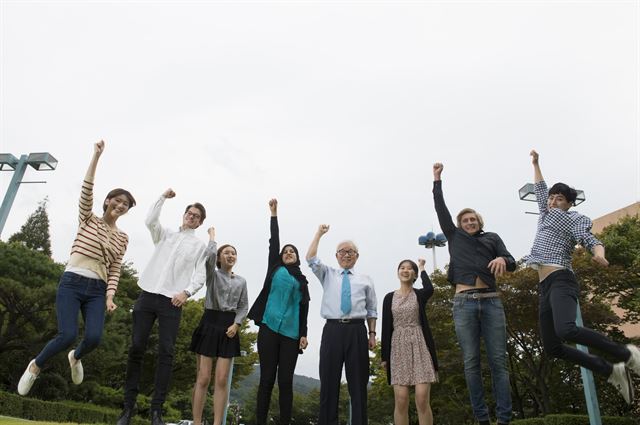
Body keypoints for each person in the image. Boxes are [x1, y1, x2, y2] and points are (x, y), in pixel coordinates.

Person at [18, 140, 135, 396]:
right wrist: (96, 156)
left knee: (93, 338)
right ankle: (35, 366)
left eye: (125, 204)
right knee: (67, 333)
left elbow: (115, 268)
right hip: (72, 282)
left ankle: (76, 358)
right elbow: (87, 189)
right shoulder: (88, 218)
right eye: (117, 200)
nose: (120, 205)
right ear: (107, 201)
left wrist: (110, 295)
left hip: (97, 289)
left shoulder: (123, 238)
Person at [527, 150, 640, 404]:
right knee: (552, 347)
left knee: (566, 329)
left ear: (568, 204)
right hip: (544, 287)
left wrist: (599, 254)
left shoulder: (572, 218)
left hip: (561, 279)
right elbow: (540, 188)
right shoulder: (544, 214)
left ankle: (627, 354)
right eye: (552, 198)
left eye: (560, 199)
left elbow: (590, 239)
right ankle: (610, 370)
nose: (553, 201)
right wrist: (536, 163)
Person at [432, 162, 515, 425]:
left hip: (491, 302)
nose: (469, 222)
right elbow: (440, 210)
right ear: (459, 225)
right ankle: (482, 419)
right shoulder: (454, 237)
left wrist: (503, 257)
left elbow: (512, 261)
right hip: (464, 303)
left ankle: (504, 419)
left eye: (473, 219)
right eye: (465, 220)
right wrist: (437, 180)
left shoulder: (492, 238)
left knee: (499, 363)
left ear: (479, 222)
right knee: (471, 362)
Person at [117, 189, 208, 425]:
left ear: (200, 222)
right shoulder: (165, 235)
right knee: (136, 346)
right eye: (189, 213)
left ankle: (156, 411)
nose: (191, 217)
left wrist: (187, 293)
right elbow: (150, 220)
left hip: (171, 300)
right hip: (147, 294)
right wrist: (162, 198)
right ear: (184, 215)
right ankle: (127, 409)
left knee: (166, 352)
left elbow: (201, 274)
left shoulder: (199, 246)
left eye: (196, 216)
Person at [305, 224, 377, 425]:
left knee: (358, 383)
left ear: (357, 256)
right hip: (333, 330)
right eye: (342, 252)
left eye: (350, 252)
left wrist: (372, 334)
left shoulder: (366, 280)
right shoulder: (328, 274)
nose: (346, 255)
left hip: (357, 331)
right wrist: (318, 234)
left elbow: (372, 310)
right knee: (329, 381)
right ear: (336, 256)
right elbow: (310, 258)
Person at [248, 199, 310, 425]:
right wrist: (274, 214)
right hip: (269, 328)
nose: (288, 252)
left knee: (285, 381)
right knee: (266, 379)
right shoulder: (275, 268)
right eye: (286, 251)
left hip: (291, 334)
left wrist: (304, 333)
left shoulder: (302, 281)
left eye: (292, 251)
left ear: (297, 257)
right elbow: (274, 242)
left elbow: (304, 309)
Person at [190, 231, 248, 425]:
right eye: (226, 253)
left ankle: (217, 423)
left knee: (222, 379)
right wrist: (213, 239)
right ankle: (196, 422)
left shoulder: (241, 281)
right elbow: (208, 258)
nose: (230, 255)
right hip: (210, 322)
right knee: (204, 377)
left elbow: (243, 306)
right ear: (219, 258)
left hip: (229, 326)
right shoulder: (212, 275)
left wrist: (237, 324)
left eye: (233, 253)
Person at [381, 258, 438, 425]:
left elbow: (430, 288)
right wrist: (384, 357)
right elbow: (386, 327)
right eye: (402, 268)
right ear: (398, 272)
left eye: (409, 269)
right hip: (398, 346)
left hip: (419, 344)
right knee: (401, 399)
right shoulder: (389, 298)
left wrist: (422, 267)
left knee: (421, 398)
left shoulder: (419, 295)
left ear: (414, 275)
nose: (405, 270)